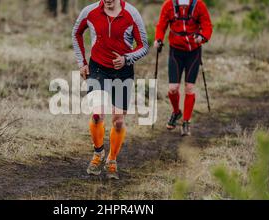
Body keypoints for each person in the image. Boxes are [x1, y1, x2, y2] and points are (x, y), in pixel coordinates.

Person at [72, 0, 149, 179]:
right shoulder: (89, 11)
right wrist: (82, 62)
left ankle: (112, 159)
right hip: (97, 68)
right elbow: (76, 34)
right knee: (97, 114)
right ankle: (98, 153)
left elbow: (144, 45)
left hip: (123, 71)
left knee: (118, 120)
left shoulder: (131, 13)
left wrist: (126, 58)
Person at [154, 0, 212, 136]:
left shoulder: (199, 5)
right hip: (176, 51)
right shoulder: (168, 5)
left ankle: (186, 122)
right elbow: (161, 25)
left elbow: (207, 26)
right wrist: (158, 39)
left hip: (194, 52)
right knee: (173, 89)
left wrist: (203, 37)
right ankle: (176, 112)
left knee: (189, 87)